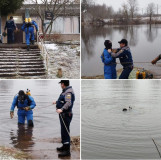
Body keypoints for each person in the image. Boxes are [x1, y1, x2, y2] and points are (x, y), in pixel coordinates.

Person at [53, 80, 75, 157]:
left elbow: (68, 103)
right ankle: (64, 146)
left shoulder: (68, 92)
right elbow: (63, 100)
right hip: (63, 115)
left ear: (63, 84)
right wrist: (56, 102)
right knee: (63, 131)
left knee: (65, 131)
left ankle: (67, 151)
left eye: (61, 84)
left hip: (66, 114)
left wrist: (61, 109)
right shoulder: (65, 91)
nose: (60, 85)